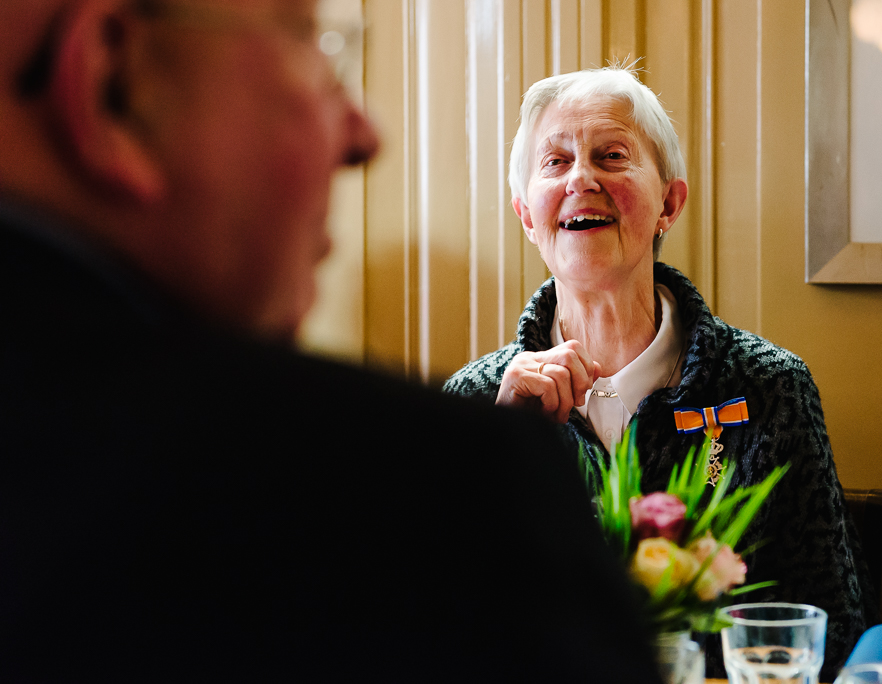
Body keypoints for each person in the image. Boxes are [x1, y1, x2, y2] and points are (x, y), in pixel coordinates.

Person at [0, 2, 663, 682]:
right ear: (117, 80)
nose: (365, 136)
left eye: (612, 155)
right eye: (320, 54)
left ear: (672, 200)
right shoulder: (429, 489)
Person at [444, 67, 877, 681]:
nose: (582, 179)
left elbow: (831, 630)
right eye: (555, 162)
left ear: (669, 203)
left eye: (611, 156)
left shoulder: (769, 389)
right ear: (526, 215)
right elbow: (432, 626)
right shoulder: (475, 404)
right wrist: (502, 447)